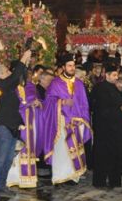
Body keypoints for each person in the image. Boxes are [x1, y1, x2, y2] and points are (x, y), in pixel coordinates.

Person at [38, 54, 92, 185]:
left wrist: (83, 118)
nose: (72, 68)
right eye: (69, 66)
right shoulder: (56, 83)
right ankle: (60, 177)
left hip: (76, 122)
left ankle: (73, 176)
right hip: (61, 122)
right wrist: (61, 102)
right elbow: (49, 101)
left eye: (73, 66)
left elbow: (84, 103)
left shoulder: (79, 83)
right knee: (62, 150)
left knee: (75, 150)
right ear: (63, 67)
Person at [0, 52, 32, 193]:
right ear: (1, 74)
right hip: (3, 127)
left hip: (12, 127)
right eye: (8, 71)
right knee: (0, 160)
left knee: (8, 159)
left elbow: (12, 108)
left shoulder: (8, 87)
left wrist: (20, 122)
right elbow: (14, 78)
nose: (10, 73)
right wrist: (23, 58)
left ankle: (1, 185)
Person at [89, 63, 122, 188]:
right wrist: (120, 110)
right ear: (107, 75)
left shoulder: (113, 87)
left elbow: (114, 104)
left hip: (115, 128)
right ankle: (100, 181)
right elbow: (102, 108)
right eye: (114, 75)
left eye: (117, 75)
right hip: (104, 129)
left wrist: (121, 108)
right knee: (102, 155)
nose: (116, 77)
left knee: (115, 154)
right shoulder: (100, 88)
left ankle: (114, 181)